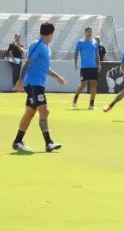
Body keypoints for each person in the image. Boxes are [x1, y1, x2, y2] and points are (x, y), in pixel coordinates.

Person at [12, 22, 67, 152]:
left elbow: (44, 67)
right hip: (34, 84)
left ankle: (17, 141)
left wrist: (57, 76)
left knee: (30, 113)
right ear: (50, 34)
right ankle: (48, 143)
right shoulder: (38, 45)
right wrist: (20, 80)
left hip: (36, 84)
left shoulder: (45, 47)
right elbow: (28, 62)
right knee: (44, 111)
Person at [72, 27, 101, 109]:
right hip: (84, 67)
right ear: (85, 32)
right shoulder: (80, 42)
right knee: (83, 85)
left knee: (94, 84)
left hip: (93, 67)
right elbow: (76, 53)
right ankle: (76, 97)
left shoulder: (95, 42)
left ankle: (91, 104)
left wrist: (98, 64)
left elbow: (97, 54)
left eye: (91, 32)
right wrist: (75, 64)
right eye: (88, 32)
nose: (90, 33)